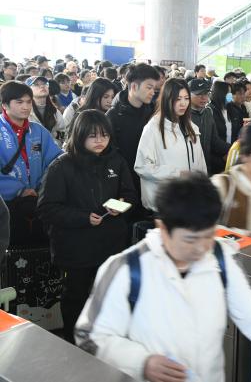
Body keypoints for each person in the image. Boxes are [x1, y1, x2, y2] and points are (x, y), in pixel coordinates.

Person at [75, 172, 251, 382]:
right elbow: (90, 337)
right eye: (190, 239)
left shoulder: (221, 260)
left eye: (209, 236)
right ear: (162, 227)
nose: (201, 248)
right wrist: (141, 362)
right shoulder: (127, 269)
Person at [37, 110, 137, 343]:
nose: (100, 141)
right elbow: (47, 208)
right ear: (80, 135)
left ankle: (105, 342)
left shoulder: (116, 160)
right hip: (75, 248)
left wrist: (122, 204)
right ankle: (74, 343)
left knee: (109, 296)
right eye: (93, 136)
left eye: (104, 135)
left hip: (110, 244)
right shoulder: (61, 166)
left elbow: (131, 194)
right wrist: (83, 217)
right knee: (76, 298)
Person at [0, 81, 61, 245]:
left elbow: (56, 160)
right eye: (19, 102)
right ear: (5, 104)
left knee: (38, 246)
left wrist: (44, 186)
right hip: (6, 206)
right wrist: (19, 190)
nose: (26, 107)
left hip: (38, 200)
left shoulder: (38, 130)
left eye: (28, 101)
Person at [135, 79, 207, 212]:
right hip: (164, 207)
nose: (183, 103)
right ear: (167, 99)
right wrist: (177, 174)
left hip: (190, 203)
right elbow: (142, 166)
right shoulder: (153, 128)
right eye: (178, 99)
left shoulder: (192, 127)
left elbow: (200, 164)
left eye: (186, 98)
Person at [106, 63, 160, 195]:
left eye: (154, 88)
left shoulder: (153, 111)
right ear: (134, 86)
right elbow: (109, 152)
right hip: (124, 182)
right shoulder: (113, 115)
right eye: (149, 87)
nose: (153, 92)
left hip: (150, 179)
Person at [188, 78, 230, 175]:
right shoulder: (183, 116)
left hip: (206, 168)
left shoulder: (207, 113)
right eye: (199, 94)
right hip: (189, 171)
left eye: (206, 94)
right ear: (188, 95)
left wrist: (234, 148)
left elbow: (214, 140)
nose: (204, 98)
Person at [27, 75, 65, 145]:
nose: (42, 86)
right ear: (28, 90)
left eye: (44, 84)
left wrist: (55, 139)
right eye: (36, 84)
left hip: (55, 151)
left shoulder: (55, 111)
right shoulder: (26, 112)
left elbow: (63, 133)